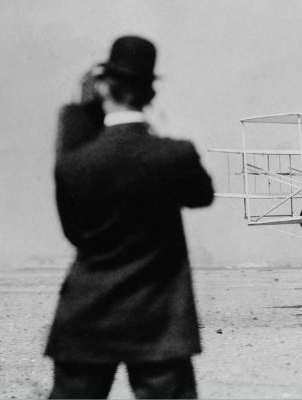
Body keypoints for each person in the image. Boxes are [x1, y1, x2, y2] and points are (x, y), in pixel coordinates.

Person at [45, 35, 214, 399]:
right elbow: (203, 195)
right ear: (150, 93)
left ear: (105, 87)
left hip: (87, 314)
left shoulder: (73, 164)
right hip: (159, 321)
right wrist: (164, 138)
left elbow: (74, 232)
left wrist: (79, 116)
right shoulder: (175, 155)